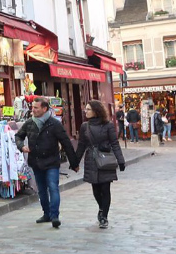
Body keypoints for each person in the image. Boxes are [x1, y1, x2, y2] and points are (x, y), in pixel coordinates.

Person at [15, 97, 80, 229]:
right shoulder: (29, 123)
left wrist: (74, 163)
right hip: (36, 161)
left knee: (53, 187)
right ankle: (47, 214)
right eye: (32, 107)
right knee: (42, 190)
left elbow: (66, 143)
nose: (33, 110)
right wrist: (21, 146)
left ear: (44, 109)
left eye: (36, 107)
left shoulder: (54, 124)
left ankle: (55, 216)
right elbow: (18, 136)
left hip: (51, 162)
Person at [72, 101, 125, 229]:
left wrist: (121, 160)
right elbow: (81, 146)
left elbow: (114, 143)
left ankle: (104, 216)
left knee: (105, 188)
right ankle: (101, 208)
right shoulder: (85, 126)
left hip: (105, 159)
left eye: (88, 109)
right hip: (91, 160)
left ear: (96, 111)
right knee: (96, 189)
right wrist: (75, 162)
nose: (86, 111)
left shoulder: (108, 125)